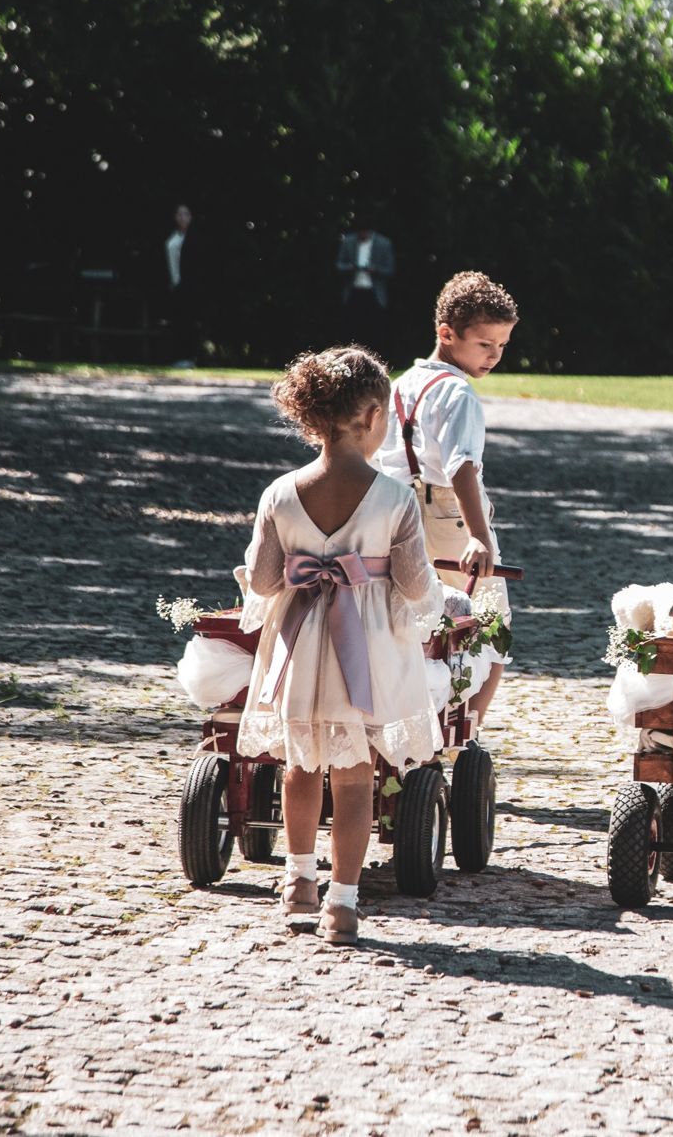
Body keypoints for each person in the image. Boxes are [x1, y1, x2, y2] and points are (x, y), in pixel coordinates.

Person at [236, 346, 445, 945]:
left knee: (300, 768)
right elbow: (412, 582)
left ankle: (297, 883)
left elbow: (265, 580)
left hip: (302, 646)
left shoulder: (279, 493)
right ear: (375, 415)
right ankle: (342, 904)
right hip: (367, 653)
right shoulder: (395, 497)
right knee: (355, 779)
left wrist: (307, 568)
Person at [373, 271, 518, 731]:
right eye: (484, 344)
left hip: (394, 511)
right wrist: (478, 535)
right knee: (489, 628)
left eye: (502, 345)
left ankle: (402, 721)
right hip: (448, 518)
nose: (494, 355)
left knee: (407, 623)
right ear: (446, 334)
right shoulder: (458, 393)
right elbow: (461, 467)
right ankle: (460, 733)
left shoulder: (399, 385)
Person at [335, 216, 395, 336]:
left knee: (374, 330)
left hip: (374, 293)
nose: (363, 235)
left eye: (366, 232)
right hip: (354, 292)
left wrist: (375, 270)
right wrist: (350, 268)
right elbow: (339, 265)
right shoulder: (348, 241)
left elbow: (390, 270)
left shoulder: (383, 243)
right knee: (352, 329)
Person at [162, 203, 203, 365]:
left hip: (189, 286)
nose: (182, 218)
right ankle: (176, 356)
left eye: (186, 214)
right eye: (179, 214)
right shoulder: (172, 237)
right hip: (175, 285)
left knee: (188, 321)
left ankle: (188, 357)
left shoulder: (194, 238)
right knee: (175, 322)